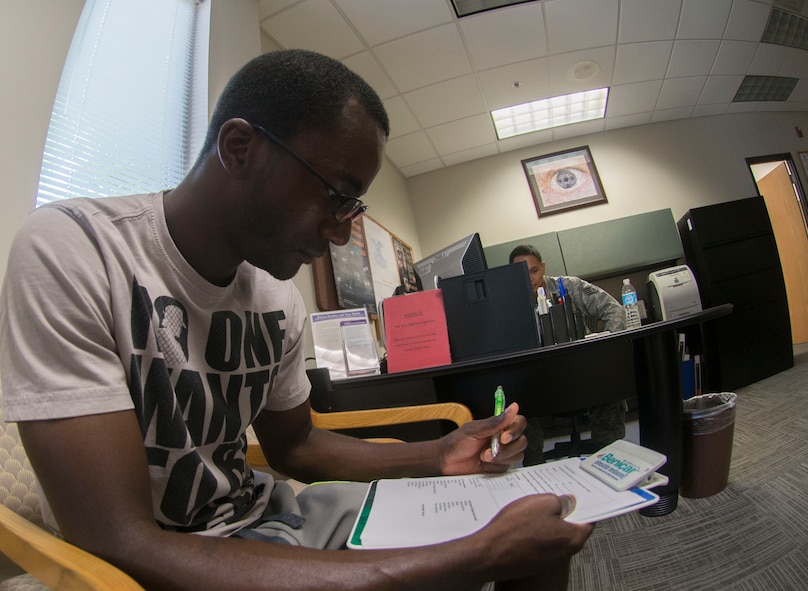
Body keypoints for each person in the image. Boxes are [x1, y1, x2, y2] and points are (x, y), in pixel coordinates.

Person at [0, 50, 592, 591]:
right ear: (239, 149)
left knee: (531, 530)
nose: (339, 232)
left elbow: (297, 444)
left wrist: (437, 454)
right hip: (153, 567)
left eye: (352, 208)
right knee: (495, 550)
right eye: (336, 196)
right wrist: (474, 557)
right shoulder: (74, 252)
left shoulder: (275, 300)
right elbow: (118, 541)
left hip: (266, 520)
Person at [509, 244, 628, 465]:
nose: (530, 279)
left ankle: (610, 456)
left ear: (543, 267)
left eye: (534, 271)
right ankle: (535, 468)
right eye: (522, 275)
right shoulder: (510, 306)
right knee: (517, 401)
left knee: (612, 389)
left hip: (584, 374)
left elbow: (614, 310)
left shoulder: (569, 287)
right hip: (540, 384)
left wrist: (609, 347)